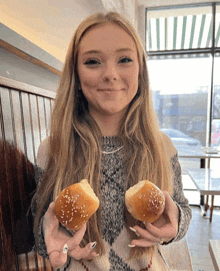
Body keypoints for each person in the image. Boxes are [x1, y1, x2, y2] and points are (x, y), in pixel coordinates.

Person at [31, 12, 192, 271]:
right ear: (76, 73)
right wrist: (50, 242)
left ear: (140, 70)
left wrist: (174, 226)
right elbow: (40, 229)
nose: (110, 74)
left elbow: (181, 208)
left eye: (124, 59)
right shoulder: (51, 150)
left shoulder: (162, 147)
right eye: (93, 61)